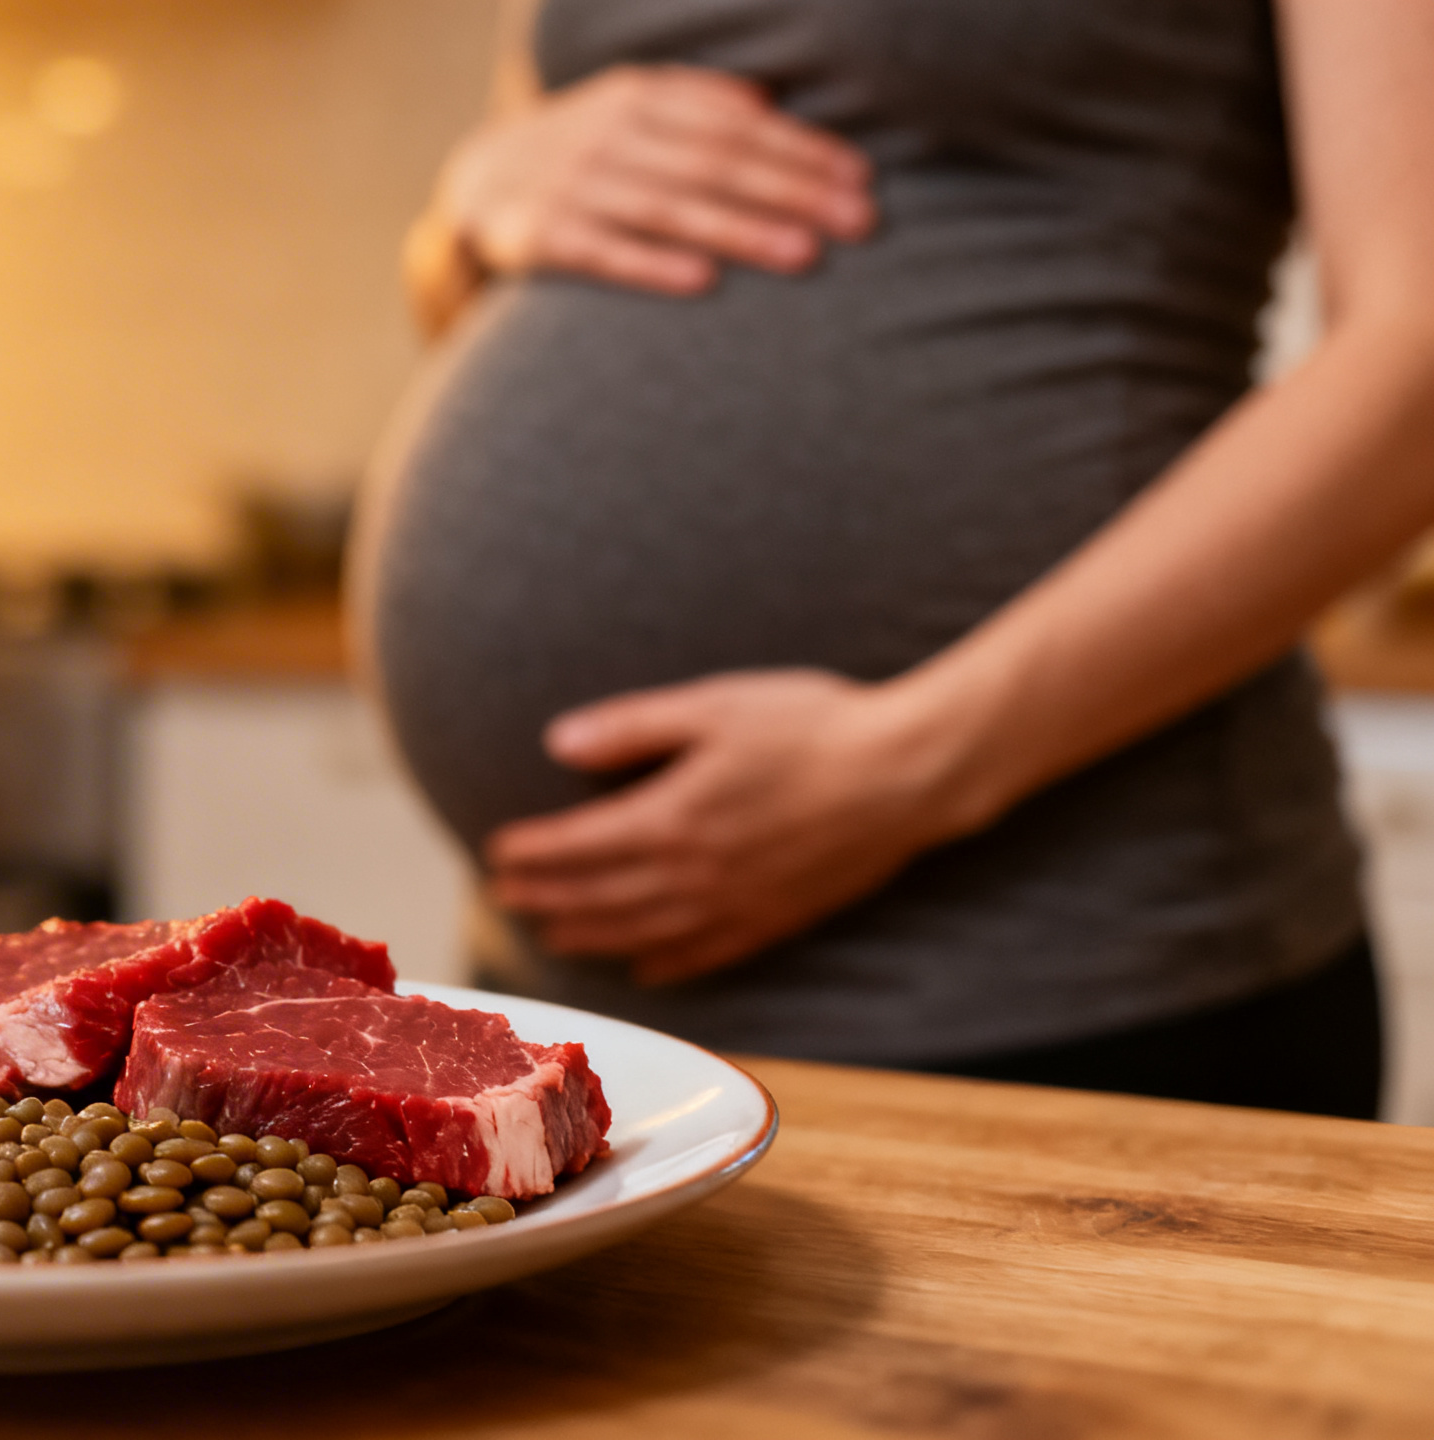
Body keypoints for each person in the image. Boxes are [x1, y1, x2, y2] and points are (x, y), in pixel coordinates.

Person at [354, 0, 1434, 1118]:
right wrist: (465, 209)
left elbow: (1416, 356)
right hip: (571, 1001)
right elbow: (491, 276)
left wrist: (913, 764)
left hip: (1070, 975)